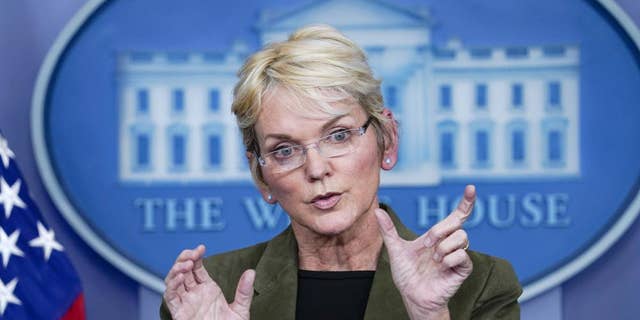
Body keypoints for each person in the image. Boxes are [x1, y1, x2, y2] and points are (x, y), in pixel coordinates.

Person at [160, 25, 521, 320]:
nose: (317, 169)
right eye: (285, 151)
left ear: (388, 141)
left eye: (338, 135)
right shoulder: (211, 291)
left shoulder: (480, 285)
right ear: (260, 175)